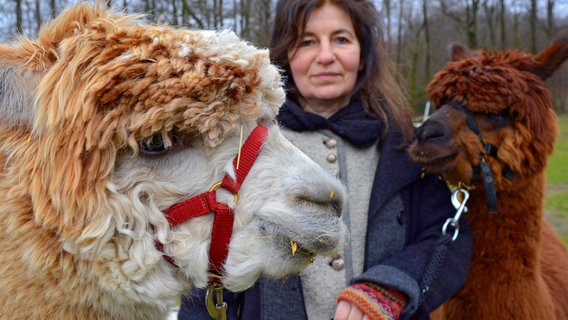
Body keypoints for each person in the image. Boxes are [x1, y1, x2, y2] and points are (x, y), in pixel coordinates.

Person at [178, 0, 472, 319]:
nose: (326, 56)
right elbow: (206, 264)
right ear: (286, 55)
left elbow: (445, 237)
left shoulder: (403, 146)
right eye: (307, 42)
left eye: (341, 39)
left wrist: (389, 287)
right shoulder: (237, 146)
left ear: (363, 55)